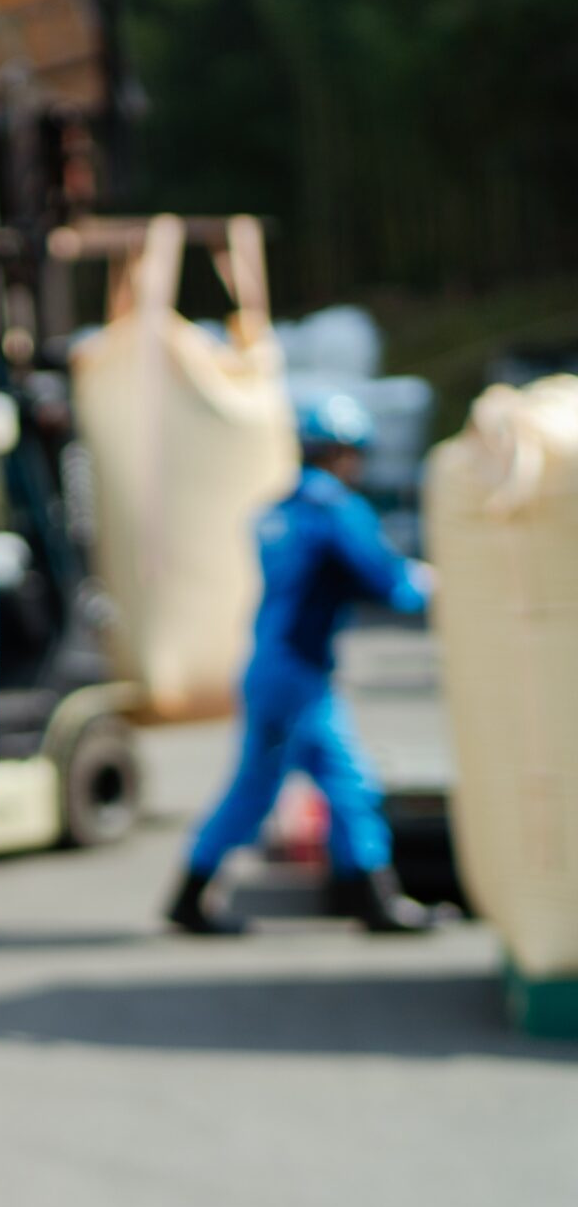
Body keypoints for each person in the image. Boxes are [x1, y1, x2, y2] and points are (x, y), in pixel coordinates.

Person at [167, 395, 436, 936]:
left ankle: (194, 894)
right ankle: (373, 899)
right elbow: (386, 580)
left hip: (271, 664)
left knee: (269, 786)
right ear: (342, 452)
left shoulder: (277, 510)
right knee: (343, 781)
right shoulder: (335, 510)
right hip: (299, 675)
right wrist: (432, 583)